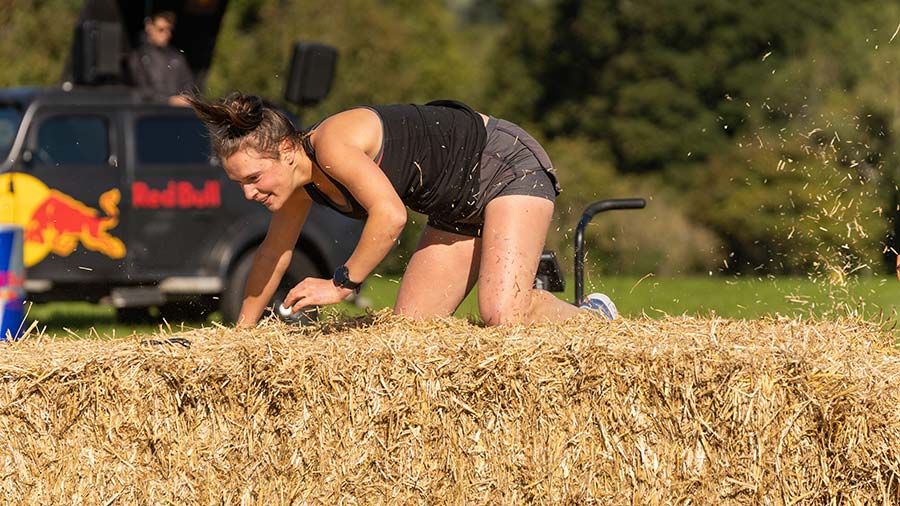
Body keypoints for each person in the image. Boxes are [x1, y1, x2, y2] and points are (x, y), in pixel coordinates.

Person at [186, 92, 619, 327]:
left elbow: (390, 217)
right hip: (454, 206)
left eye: (253, 178)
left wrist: (341, 284)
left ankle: (594, 319)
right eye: (239, 184)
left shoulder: (332, 145)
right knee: (412, 330)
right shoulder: (299, 184)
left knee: (502, 314)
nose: (248, 193)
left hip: (504, 167)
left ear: (285, 149)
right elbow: (272, 254)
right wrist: (241, 338)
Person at [128, 11, 195, 106]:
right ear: (149, 27)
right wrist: (168, 100)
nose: (166, 34)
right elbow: (141, 90)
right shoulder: (138, 56)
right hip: (149, 115)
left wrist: (186, 97)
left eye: (169, 29)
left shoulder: (176, 56)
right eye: (161, 29)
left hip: (177, 114)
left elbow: (188, 83)